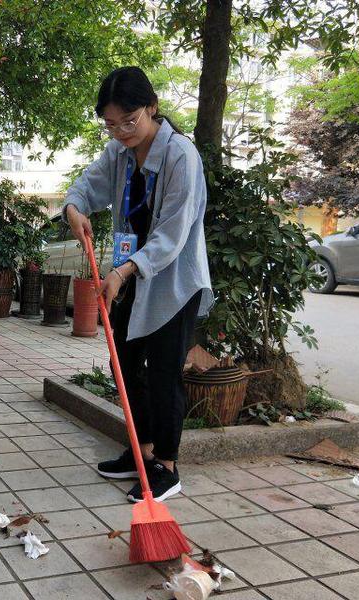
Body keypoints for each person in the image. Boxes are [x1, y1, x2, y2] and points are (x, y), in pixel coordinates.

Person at [63, 67, 213, 502]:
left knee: (164, 372)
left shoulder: (181, 155)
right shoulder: (119, 152)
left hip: (174, 283)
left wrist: (124, 271)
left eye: (129, 121)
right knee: (124, 364)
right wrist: (74, 209)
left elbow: (172, 234)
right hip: (130, 279)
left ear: (152, 107)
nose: (121, 132)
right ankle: (141, 451)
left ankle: (167, 466)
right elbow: (86, 187)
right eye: (111, 124)